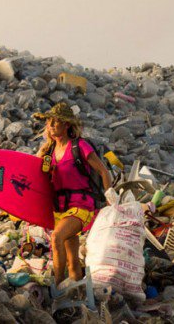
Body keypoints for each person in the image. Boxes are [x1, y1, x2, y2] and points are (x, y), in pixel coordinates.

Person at [34, 102, 112, 286]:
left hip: (82, 205)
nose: (51, 126)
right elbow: (37, 179)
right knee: (73, 262)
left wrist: (109, 199)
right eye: (49, 123)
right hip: (60, 208)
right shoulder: (49, 151)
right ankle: (77, 291)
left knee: (57, 238)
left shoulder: (80, 146)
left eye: (56, 123)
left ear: (67, 125)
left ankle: (58, 287)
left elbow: (103, 172)